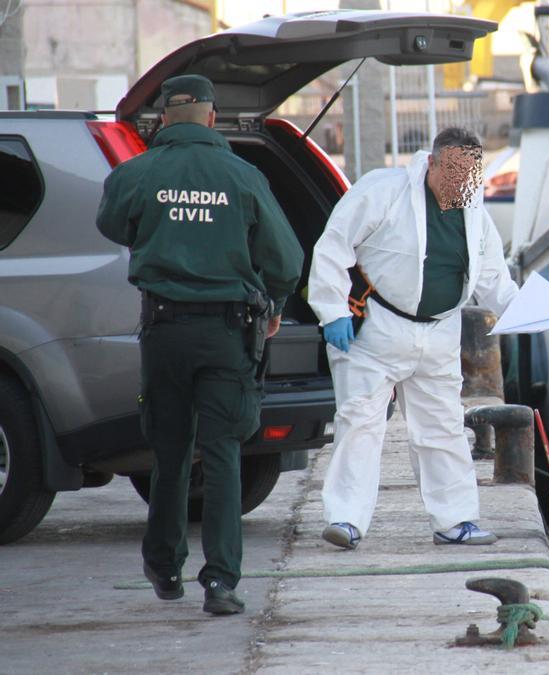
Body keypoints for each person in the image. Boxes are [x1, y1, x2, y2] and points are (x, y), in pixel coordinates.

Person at [96, 74, 303, 615]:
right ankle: (221, 583)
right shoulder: (243, 176)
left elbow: (111, 224)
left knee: (169, 451)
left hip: (164, 332)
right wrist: (276, 305)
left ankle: (164, 567)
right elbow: (285, 259)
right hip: (226, 334)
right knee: (223, 453)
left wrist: (165, 233)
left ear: (164, 118)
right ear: (212, 118)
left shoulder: (136, 173)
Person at [306, 127, 518, 550]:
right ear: (432, 164)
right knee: (360, 420)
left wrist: (532, 309)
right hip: (378, 327)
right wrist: (330, 310)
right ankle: (346, 519)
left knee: (442, 426)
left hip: (440, 331)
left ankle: (455, 520)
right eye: (454, 173)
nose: (462, 185)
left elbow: (493, 278)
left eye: (470, 175)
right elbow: (333, 247)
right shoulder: (383, 191)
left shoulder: (475, 208)